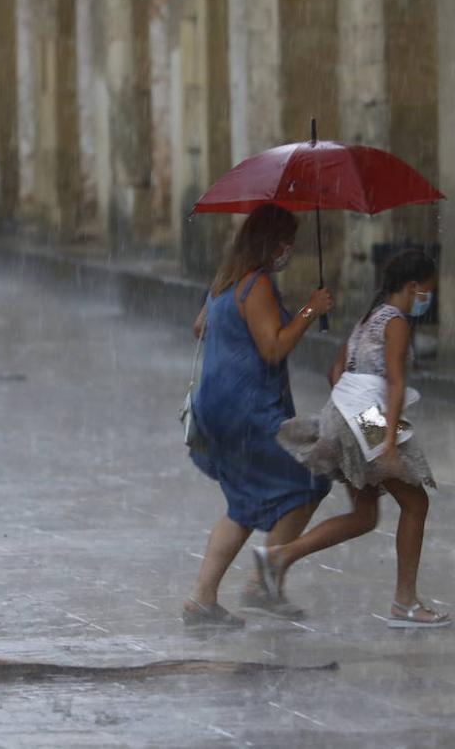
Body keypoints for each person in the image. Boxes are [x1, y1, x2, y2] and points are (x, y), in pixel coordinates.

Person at [262, 247, 450, 628]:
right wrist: (389, 444)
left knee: (364, 515)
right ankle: (405, 603)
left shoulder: (369, 318)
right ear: (413, 287)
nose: (427, 300)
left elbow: (335, 371)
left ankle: (279, 557)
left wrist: (349, 416)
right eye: (427, 291)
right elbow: (396, 383)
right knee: (415, 504)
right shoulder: (395, 321)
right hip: (368, 417)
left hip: (342, 411)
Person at [183, 203, 335, 627]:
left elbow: (200, 326)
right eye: (287, 241)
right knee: (309, 479)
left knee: (245, 504)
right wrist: (311, 309)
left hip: (216, 407)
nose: (289, 250)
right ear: (271, 242)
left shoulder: (225, 282)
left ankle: (202, 598)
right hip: (247, 409)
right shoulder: (257, 284)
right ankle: (263, 582)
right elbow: (273, 348)